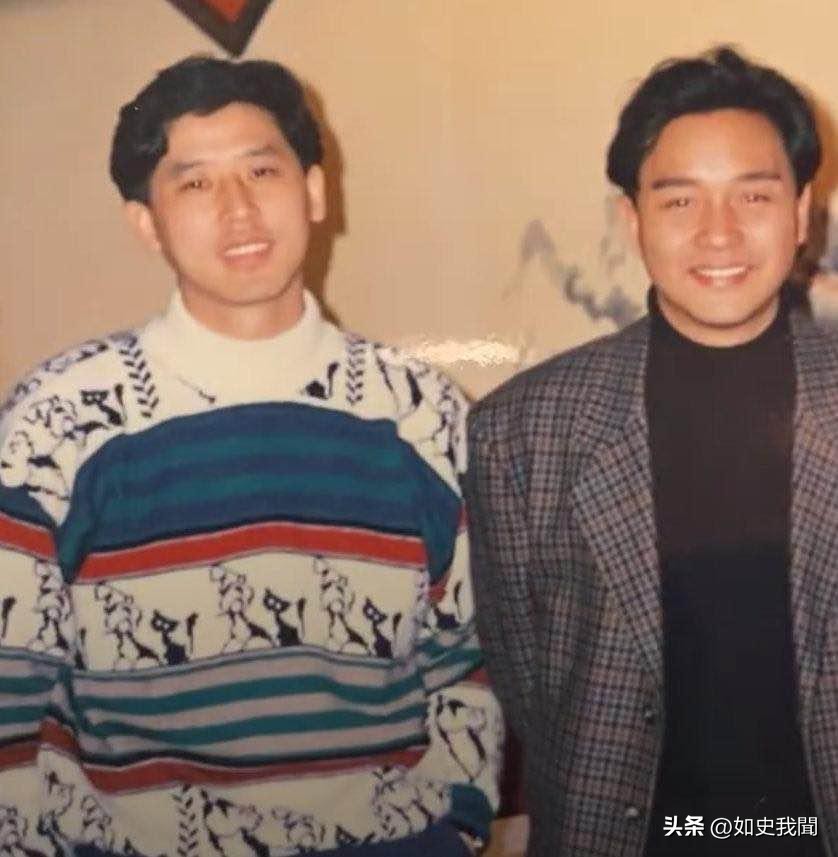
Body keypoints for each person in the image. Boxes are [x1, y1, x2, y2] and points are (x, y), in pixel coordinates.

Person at [0, 57, 501, 856]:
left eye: (262, 171)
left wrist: (453, 832)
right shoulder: (56, 421)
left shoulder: (419, 412)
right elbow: (9, 697)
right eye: (195, 183)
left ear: (315, 191)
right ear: (146, 222)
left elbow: (470, 661)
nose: (237, 210)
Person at [465, 47, 833, 856]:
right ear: (631, 220)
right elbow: (530, 688)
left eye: (754, 195)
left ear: (803, 211)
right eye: (679, 200)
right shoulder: (522, 432)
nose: (718, 233)